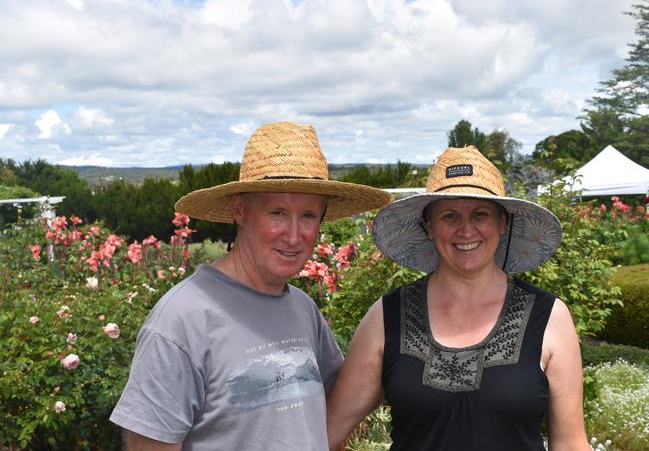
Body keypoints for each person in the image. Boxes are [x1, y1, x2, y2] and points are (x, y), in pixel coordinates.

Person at [109, 121, 392, 450]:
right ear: (240, 211)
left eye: (308, 216)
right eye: (277, 213)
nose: (293, 235)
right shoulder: (181, 321)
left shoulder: (302, 309)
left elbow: (326, 418)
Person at [326, 146, 591, 451]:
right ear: (429, 226)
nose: (466, 230)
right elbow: (327, 432)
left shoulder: (549, 318)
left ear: (502, 223)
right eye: (449, 216)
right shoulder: (387, 317)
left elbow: (570, 444)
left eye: (480, 214)